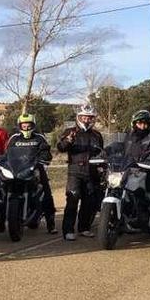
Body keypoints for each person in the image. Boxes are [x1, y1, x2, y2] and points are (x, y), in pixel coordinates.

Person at [57, 103, 104, 240]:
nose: (86, 120)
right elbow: (60, 148)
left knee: (88, 202)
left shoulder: (97, 135)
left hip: (92, 172)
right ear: (79, 117)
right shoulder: (70, 131)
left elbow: (101, 152)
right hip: (75, 172)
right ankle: (68, 230)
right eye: (84, 117)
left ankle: (84, 227)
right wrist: (68, 141)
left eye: (89, 117)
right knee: (72, 199)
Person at [6, 113, 57, 234]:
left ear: (33, 125)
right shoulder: (14, 138)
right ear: (20, 126)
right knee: (3, 188)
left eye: (29, 125)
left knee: (46, 193)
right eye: (24, 125)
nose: (26, 127)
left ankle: (51, 224)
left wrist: (44, 159)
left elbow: (46, 152)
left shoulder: (39, 138)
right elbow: (8, 153)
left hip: (36, 168)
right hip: (18, 169)